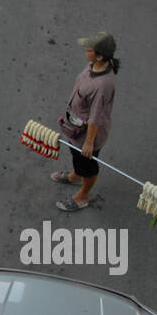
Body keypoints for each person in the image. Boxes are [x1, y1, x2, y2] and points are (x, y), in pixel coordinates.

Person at [52, 32, 120, 212]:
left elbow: (95, 116)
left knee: (88, 165)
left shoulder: (103, 85)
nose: (85, 51)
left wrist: (89, 143)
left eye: (89, 49)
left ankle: (83, 195)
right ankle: (76, 176)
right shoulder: (93, 65)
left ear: (99, 56)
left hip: (87, 135)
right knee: (76, 156)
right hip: (75, 129)